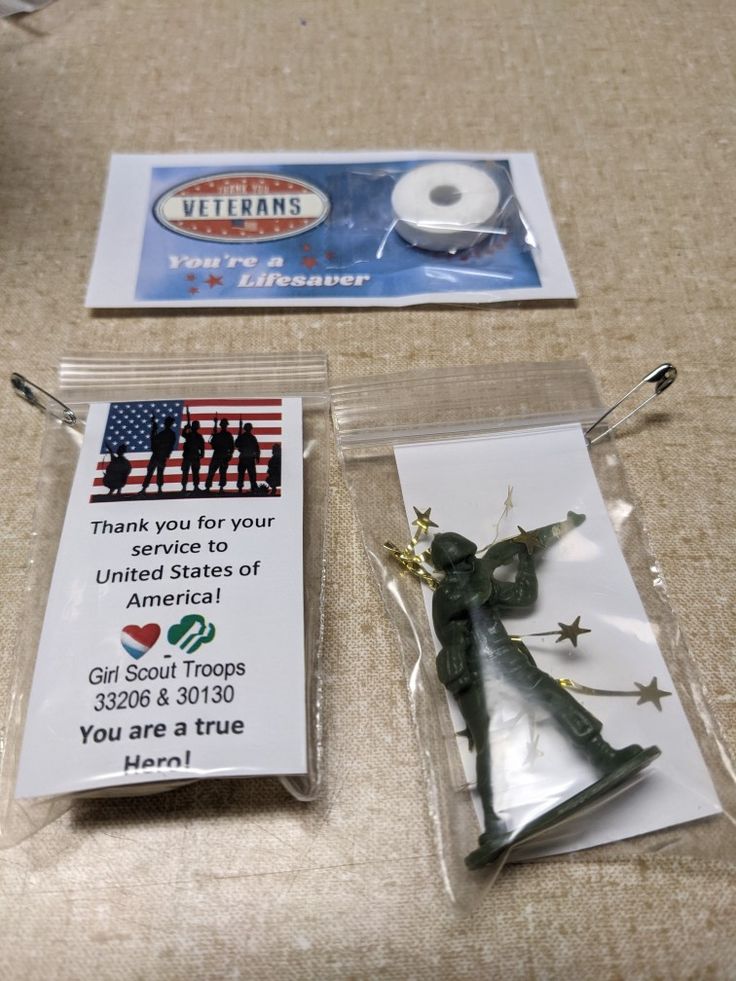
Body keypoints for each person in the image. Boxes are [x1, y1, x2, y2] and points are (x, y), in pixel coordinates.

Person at [430, 512, 657, 869]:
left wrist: (524, 558)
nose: (470, 563)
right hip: (475, 672)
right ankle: (495, 826)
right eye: (464, 560)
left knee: (554, 698)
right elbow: (474, 596)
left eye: (471, 558)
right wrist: (495, 561)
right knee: (492, 741)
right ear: (452, 566)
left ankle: (601, 754)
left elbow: (522, 596)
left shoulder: (475, 581)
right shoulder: (449, 592)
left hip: (506, 659)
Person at [139, 415, 176, 494]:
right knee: (150, 471)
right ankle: (144, 488)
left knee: (159, 472)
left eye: (168, 422)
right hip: (156, 454)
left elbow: (170, 445)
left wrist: (165, 451)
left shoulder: (171, 434)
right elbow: (154, 440)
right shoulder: (162, 433)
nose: (166, 423)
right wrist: (154, 428)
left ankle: (159, 489)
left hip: (161, 455)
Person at [205, 417, 234, 493]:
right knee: (214, 472)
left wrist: (230, 454)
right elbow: (213, 445)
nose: (224, 426)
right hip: (219, 455)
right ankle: (210, 487)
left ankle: (217, 487)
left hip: (221, 455)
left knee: (220, 472)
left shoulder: (226, 435)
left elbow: (232, 447)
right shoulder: (224, 435)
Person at [235, 421, 260, 494]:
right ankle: (250, 488)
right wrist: (257, 457)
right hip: (248, 458)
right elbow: (257, 448)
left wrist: (257, 457)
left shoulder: (244, 437)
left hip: (245, 457)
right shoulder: (252, 437)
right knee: (249, 474)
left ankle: (242, 488)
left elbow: (236, 444)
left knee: (243, 474)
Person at [180, 417, 205, 493]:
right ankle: (184, 488)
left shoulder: (198, 436)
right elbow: (183, 434)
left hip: (194, 456)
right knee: (186, 472)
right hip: (188, 455)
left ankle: (196, 487)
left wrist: (202, 454)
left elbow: (202, 446)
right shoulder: (189, 434)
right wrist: (186, 427)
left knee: (195, 472)